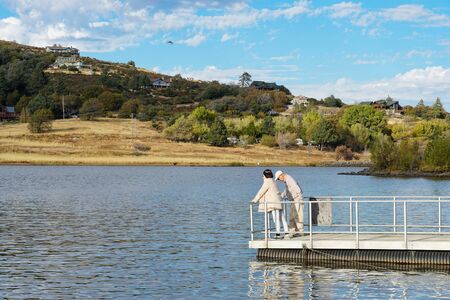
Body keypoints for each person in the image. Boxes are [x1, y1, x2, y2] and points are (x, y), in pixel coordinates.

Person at [252, 169, 288, 237]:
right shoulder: (273, 181)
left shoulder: (267, 181)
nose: (262, 177)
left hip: (273, 203)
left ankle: (278, 234)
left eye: (263, 175)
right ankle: (286, 232)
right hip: (278, 201)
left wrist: (255, 200)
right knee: (282, 217)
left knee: (276, 218)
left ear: (265, 175)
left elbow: (261, 191)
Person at [275, 170, 304, 236]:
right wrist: (281, 196)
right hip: (294, 200)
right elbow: (287, 190)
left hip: (297, 199)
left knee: (298, 215)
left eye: (278, 178)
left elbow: (296, 186)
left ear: (281, 175)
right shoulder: (286, 180)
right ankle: (292, 231)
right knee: (292, 216)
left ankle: (300, 231)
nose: (279, 180)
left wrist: (298, 195)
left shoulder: (289, 179)